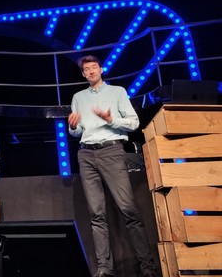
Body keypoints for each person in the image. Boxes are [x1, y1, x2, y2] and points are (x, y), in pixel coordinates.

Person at [67, 55, 158, 277]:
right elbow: (78, 131)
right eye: (86, 69)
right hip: (86, 154)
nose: (90, 72)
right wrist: (72, 127)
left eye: (93, 67)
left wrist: (111, 120)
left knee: (128, 209)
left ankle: (147, 267)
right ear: (83, 74)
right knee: (96, 214)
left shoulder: (117, 92)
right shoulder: (78, 97)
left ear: (101, 69)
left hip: (111, 151)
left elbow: (134, 123)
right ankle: (104, 270)